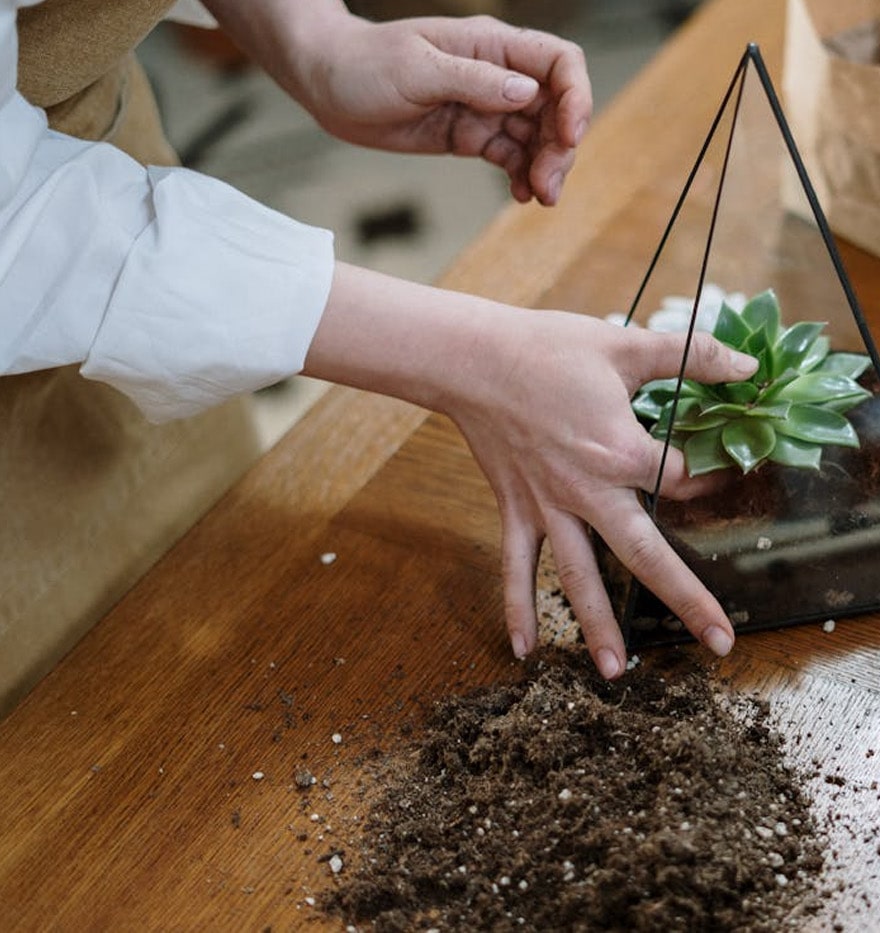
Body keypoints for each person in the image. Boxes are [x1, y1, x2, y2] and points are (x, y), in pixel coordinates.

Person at [0, 0, 755, 711]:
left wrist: (316, 41)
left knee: (220, 584)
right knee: (75, 722)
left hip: (103, 157)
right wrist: (476, 359)